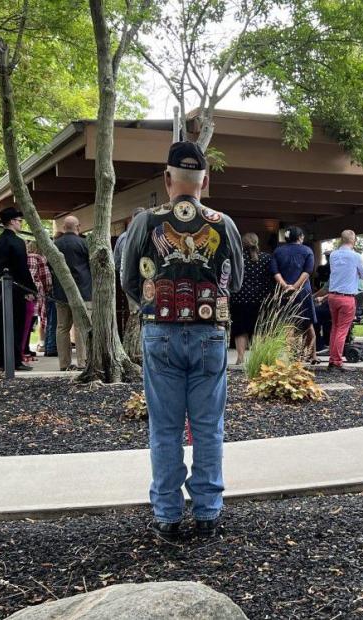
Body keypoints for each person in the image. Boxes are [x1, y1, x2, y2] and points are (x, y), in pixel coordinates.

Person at [120, 140, 243, 541]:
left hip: (160, 333)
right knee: (208, 428)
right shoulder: (224, 223)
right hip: (210, 334)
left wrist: (150, 306)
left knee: (165, 428)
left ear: (167, 178)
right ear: (205, 180)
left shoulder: (145, 222)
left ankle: (167, 515)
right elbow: (235, 280)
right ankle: (208, 513)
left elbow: (128, 279)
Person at [0, 207, 36, 372]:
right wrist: (30, 289)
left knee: (1, 324)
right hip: (13, 287)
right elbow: (22, 268)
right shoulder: (16, 242)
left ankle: (3, 360)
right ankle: (15, 360)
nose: (20, 223)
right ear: (11, 221)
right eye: (19, 220)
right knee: (16, 324)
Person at [52, 215, 92, 372]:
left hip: (61, 292)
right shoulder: (84, 244)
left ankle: (64, 363)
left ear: (63, 227)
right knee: (82, 327)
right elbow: (91, 265)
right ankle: (83, 361)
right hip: (83, 291)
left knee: (62, 327)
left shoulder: (55, 245)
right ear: (78, 227)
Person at [271, 226, 316, 363]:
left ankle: (289, 357)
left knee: (287, 324)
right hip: (303, 292)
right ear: (300, 237)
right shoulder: (307, 251)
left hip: (283, 292)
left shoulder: (278, 251)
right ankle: (311, 355)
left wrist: (285, 286)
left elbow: (274, 271)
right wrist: (295, 286)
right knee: (308, 324)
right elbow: (307, 271)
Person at [324, 230, 363, 371]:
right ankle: (337, 361)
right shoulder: (356, 256)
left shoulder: (333, 255)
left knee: (335, 329)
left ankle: (332, 359)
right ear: (353, 240)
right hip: (347, 297)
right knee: (342, 330)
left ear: (341, 240)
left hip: (332, 296)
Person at [230, 232, 273, 365]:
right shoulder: (267, 258)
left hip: (239, 299)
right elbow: (272, 278)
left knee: (240, 330)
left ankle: (240, 358)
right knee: (259, 330)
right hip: (261, 300)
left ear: (242, 244)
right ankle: (258, 359)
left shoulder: (237, 258)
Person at [25, 240, 52, 362]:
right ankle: (43, 343)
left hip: (24, 290)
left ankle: (25, 347)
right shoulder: (39, 258)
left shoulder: (24, 257)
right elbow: (45, 277)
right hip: (37, 290)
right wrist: (48, 290)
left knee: (26, 321)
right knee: (38, 318)